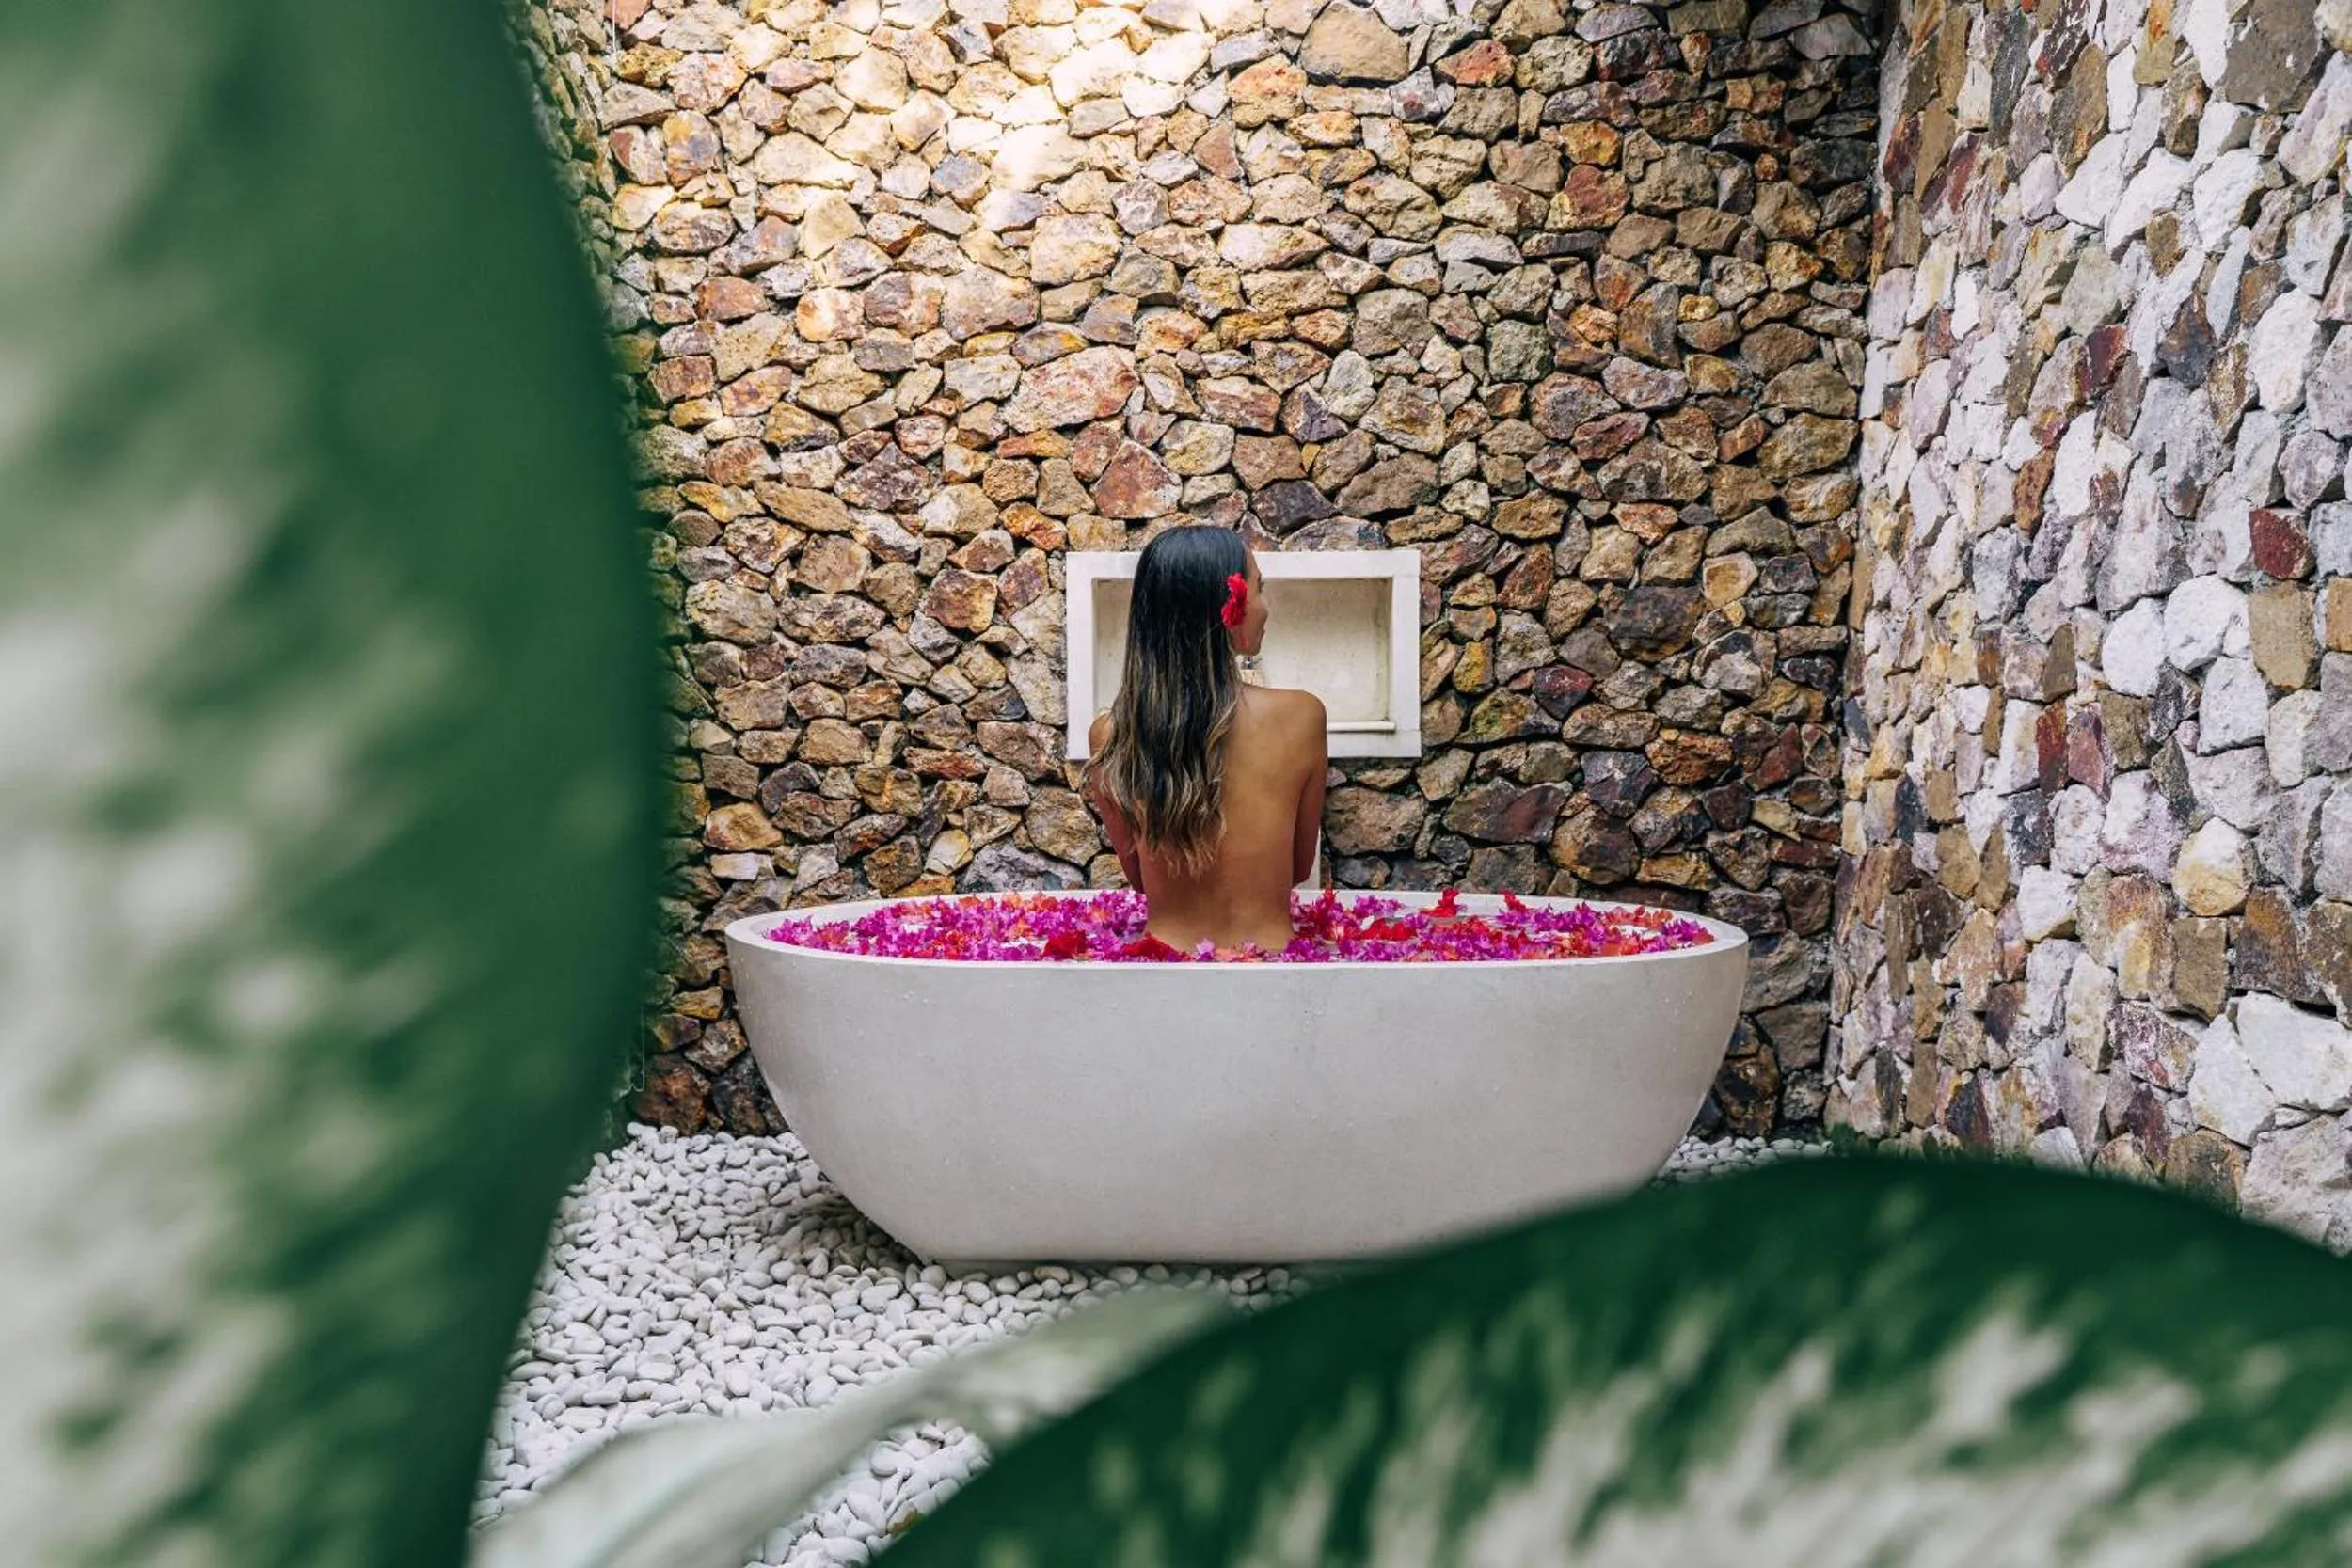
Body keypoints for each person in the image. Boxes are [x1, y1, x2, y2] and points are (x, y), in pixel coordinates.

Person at [1084, 525, 1327, 956]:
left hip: (1163, 971)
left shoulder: (1111, 735)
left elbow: (1141, 881)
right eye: (1259, 588)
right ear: (1229, 607)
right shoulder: (1302, 716)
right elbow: (1296, 866)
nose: (1265, 607)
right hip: (1271, 967)